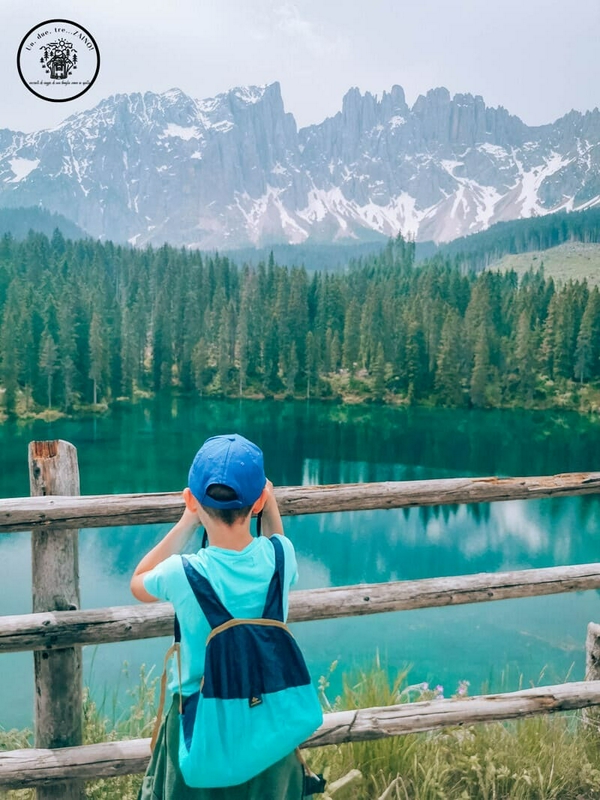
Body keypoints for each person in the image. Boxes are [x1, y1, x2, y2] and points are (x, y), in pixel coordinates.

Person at [131, 433, 310, 799]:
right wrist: (269, 504)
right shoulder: (280, 557)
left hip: (199, 732)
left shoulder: (182, 573)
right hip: (268, 732)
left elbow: (137, 583)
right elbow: (278, 541)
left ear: (191, 500)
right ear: (259, 500)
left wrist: (186, 522)